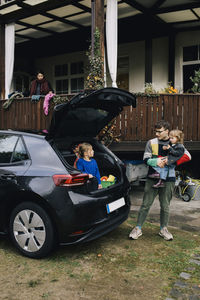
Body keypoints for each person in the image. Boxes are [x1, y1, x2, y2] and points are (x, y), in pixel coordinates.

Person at [129, 120, 180, 241]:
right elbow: (146, 160)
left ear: (167, 131)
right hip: (152, 178)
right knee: (145, 204)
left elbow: (181, 158)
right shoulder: (151, 142)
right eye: (156, 131)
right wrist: (156, 161)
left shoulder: (175, 143)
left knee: (165, 205)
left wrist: (169, 160)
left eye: (159, 131)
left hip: (169, 179)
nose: (157, 134)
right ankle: (138, 228)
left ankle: (164, 229)